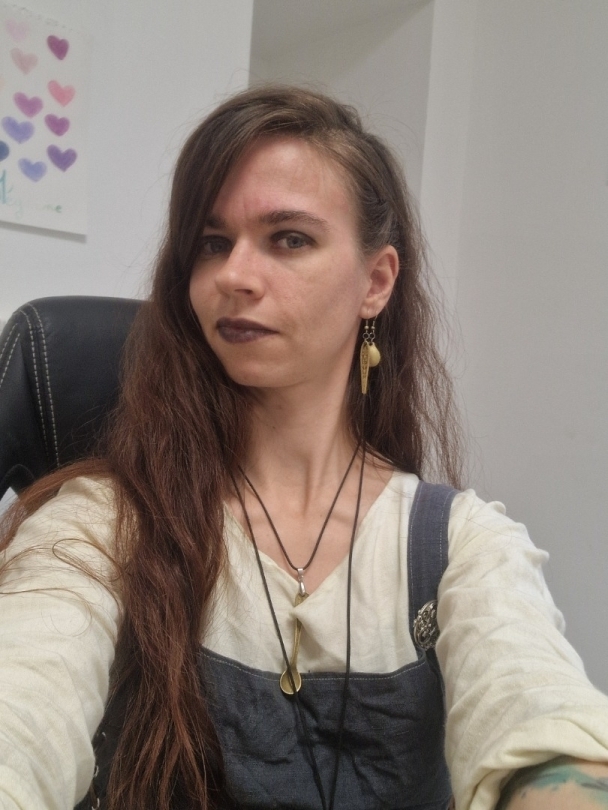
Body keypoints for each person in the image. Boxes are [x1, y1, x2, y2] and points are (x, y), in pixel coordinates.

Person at [1, 85, 607, 810]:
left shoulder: (461, 546)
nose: (233, 276)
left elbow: (538, 714)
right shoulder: (106, 522)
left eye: (289, 239)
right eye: (212, 244)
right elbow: (21, 709)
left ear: (376, 281)